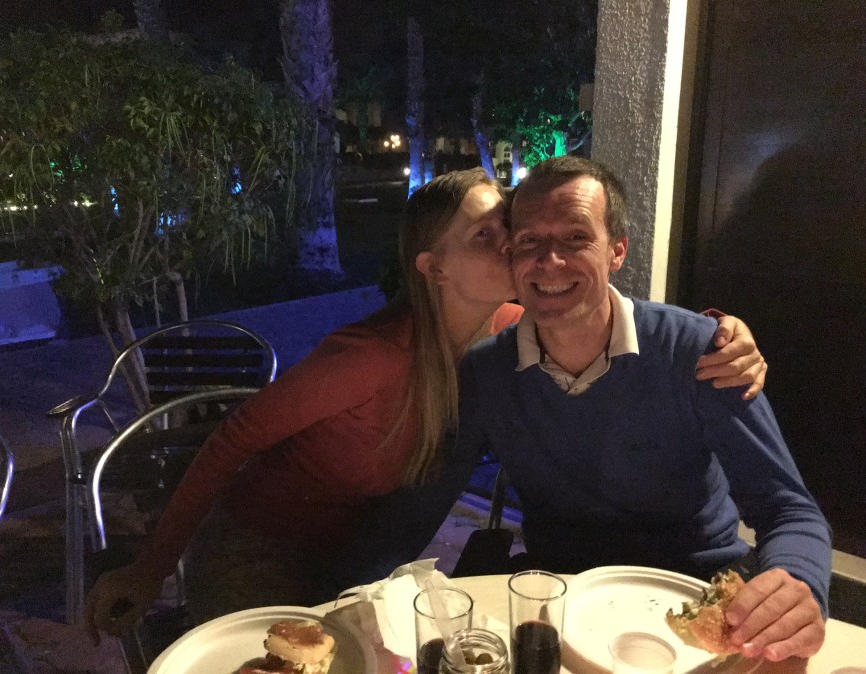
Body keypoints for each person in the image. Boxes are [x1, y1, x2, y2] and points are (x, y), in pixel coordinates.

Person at [84, 167, 767, 642]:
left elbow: (602, 311)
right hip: (266, 545)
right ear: (434, 268)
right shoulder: (371, 356)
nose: (515, 245)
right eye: (485, 236)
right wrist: (150, 567)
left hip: (366, 545)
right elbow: (232, 440)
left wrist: (715, 334)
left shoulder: (510, 330)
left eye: (508, 228)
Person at [418, 156, 829, 662]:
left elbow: (788, 507)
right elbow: (425, 501)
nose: (549, 261)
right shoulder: (487, 372)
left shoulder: (700, 352)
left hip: (694, 599)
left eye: (575, 238)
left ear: (617, 251)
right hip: (558, 602)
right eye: (529, 241)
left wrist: (796, 583)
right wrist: (352, 588)